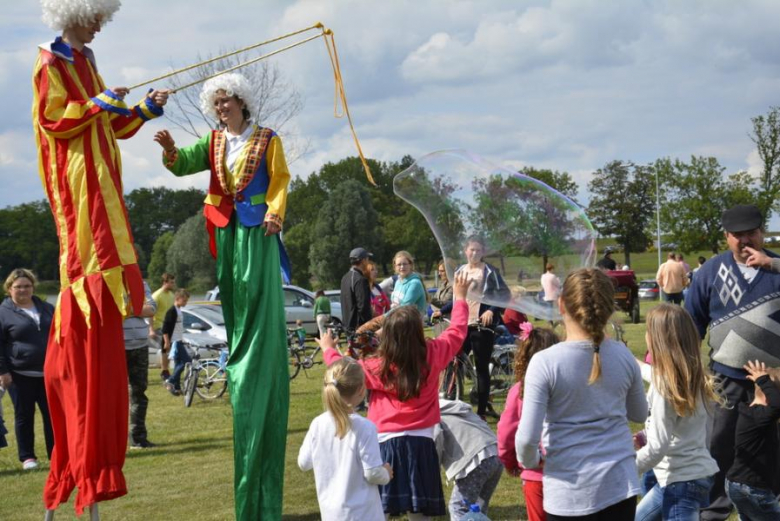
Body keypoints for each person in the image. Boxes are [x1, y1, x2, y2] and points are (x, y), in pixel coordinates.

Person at [33, 1, 169, 514]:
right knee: (92, 252)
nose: (97, 27)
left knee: (115, 245)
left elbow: (105, 126)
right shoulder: (51, 62)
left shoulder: (86, 60)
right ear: (71, 12)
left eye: (101, 20)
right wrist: (99, 103)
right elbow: (55, 120)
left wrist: (139, 111)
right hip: (78, 187)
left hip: (104, 180)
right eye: (93, 18)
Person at [155, 71, 291, 519]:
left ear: (242, 103)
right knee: (232, 293)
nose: (221, 109)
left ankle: (256, 348)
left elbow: (280, 182)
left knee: (255, 287)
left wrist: (275, 213)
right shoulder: (214, 143)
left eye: (227, 102)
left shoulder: (266, 139)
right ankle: (238, 350)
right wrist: (169, 150)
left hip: (255, 225)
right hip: (225, 229)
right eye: (216, 104)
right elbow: (182, 163)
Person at [319, 270, 471, 519]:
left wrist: (328, 350)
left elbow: (344, 371)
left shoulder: (377, 365)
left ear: (387, 335)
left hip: (384, 442)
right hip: (423, 442)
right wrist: (461, 298)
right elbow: (457, 332)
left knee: (381, 510)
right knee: (419, 512)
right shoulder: (433, 353)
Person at [516, 268, 648, 520]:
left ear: (561, 304)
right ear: (610, 308)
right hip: (619, 485)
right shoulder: (623, 355)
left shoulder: (545, 362)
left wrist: (532, 461)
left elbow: (525, 441)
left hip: (568, 490)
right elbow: (639, 412)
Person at [685, 204, 780, 521]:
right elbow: (690, 324)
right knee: (719, 445)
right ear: (726, 237)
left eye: (751, 232)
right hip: (725, 380)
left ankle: (764, 506)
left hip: (774, 383)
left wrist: (775, 264)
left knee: (770, 450)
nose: (745, 240)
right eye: (737, 235)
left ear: (762, 232)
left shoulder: (776, 270)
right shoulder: (710, 272)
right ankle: (716, 507)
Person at [634, 304, 720, 520]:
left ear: (657, 340)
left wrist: (626, 468)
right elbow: (649, 372)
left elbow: (657, 446)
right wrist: (624, 358)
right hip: (684, 477)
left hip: (681, 482)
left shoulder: (665, 386)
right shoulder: (687, 376)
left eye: (647, 331)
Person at [298, 357, 392, 521]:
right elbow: (372, 473)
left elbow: (303, 463)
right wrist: (386, 473)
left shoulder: (318, 424)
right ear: (362, 390)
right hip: (364, 515)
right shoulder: (365, 427)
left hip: (331, 514)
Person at [497, 324, 559, 521]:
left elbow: (506, 432)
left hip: (534, 474)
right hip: (565, 470)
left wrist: (509, 461)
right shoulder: (564, 388)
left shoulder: (518, 390)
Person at [0, 269, 55, 470]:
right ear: (9, 289)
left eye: (27, 286)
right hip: (18, 374)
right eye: (18, 287)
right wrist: (3, 372)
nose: (23, 290)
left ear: (33, 287)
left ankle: (56, 453)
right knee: (24, 415)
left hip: (50, 373)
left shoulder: (48, 308)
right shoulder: (2, 313)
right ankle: (27, 457)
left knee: (52, 414)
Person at [455, 236, 510, 420]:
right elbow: (457, 297)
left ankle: (481, 412)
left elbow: (504, 294)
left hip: (481, 326)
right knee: (454, 361)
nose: (475, 253)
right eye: (471, 249)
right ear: (465, 250)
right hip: (462, 324)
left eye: (478, 250)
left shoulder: (490, 272)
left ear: (483, 252)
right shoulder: (459, 271)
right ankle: (454, 401)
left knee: (481, 368)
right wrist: (444, 310)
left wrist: (492, 311)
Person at [725, 360, 780, 520]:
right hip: (750, 489)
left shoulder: (751, 412)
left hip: (741, 486)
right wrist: (763, 380)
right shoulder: (757, 416)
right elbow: (777, 405)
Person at [435, 398, 504, 519]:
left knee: (458, 507)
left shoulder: (434, 414)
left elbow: (436, 439)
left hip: (477, 460)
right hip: (495, 453)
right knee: (478, 507)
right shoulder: (454, 407)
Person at [123, 282, 156, 449]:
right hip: (116, 346)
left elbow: (151, 309)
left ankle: (138, 438)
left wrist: (125, 310)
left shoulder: (140, 284)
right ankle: (115, 440)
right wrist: (137, 308)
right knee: (114, 395)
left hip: (140, 346)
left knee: (139, 392)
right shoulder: (108, 280)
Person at [162, 289, 190, 395]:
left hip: (179, 340)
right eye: (184, 301)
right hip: (174, 341)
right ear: (177, 299)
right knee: (187, 362)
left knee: (178, 363)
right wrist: (167, 342)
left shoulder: (179, 310)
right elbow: (165, 328)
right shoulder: (172, 311)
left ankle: (176, 388)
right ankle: (170, 380)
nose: (185, 303)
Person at [150, 273, 176, 381]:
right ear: (165, 282)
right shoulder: (156, 296)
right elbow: (150, 313)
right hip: (159, 326)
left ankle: (165, 371)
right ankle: (165, 371)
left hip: (170, 326)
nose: (173, 284)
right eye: (171, 282)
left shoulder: (171, 295)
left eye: (174, 282)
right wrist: (151, 329)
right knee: (165, 348)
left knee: (169, 349)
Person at [340, 248, 373, 330]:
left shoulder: (345, 277)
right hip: (359, 327)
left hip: (347, 324)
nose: (368, 262)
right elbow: (363, 306)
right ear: (363, 260)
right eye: (367, 259)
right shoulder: (360, 279)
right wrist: (368, 325)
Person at [430, 261, 453, 336]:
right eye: (439, 271)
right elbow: (436, 303)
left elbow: (445, 304)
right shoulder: (442, 284)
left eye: (442, 271)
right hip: (439, 321)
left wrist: (429, 298)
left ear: (449, 270)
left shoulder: (453, 286)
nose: (439, 274)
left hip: (448, 322)